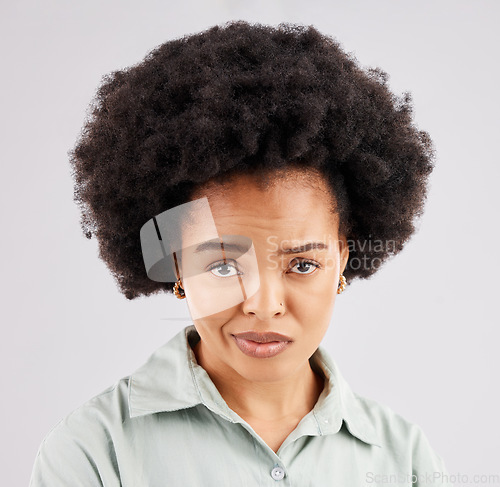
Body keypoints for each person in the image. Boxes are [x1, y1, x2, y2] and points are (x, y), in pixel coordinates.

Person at [30, 20, 452, 486]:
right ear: (176, 265)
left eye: (303, 264)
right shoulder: (93, 452)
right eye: (224, 265)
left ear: (343, 259)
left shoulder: (405, 458)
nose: (263, 303)